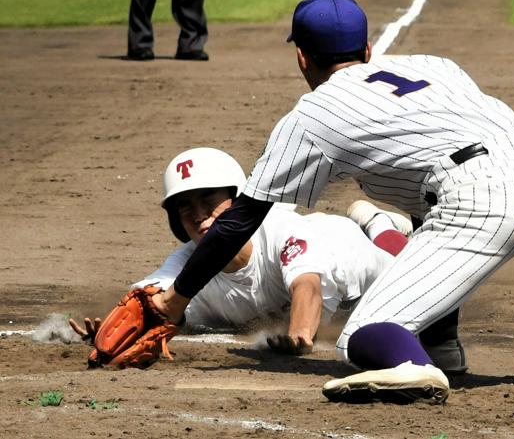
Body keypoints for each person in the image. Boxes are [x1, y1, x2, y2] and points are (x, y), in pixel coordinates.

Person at [150, 0, 514, 403]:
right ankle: (441, 344)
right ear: (367, 48)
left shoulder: (314, 113)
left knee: (360, 336)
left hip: (488, 198)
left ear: (302, 56)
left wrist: (175, 298)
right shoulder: (434, 65)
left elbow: (241, 220)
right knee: (424, 196)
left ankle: (413, 364)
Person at [71, 147, 417, 361]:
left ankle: (377, 223)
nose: (197, 214)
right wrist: (113, 329)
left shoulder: (283, 228)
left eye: (209, 199)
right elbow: (153, 295)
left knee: (407, 261)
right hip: (324, 263)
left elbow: (307, 285)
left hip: (350, 253)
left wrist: (299, 334)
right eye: (184, 207)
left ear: (239, 201)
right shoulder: (185, 264)